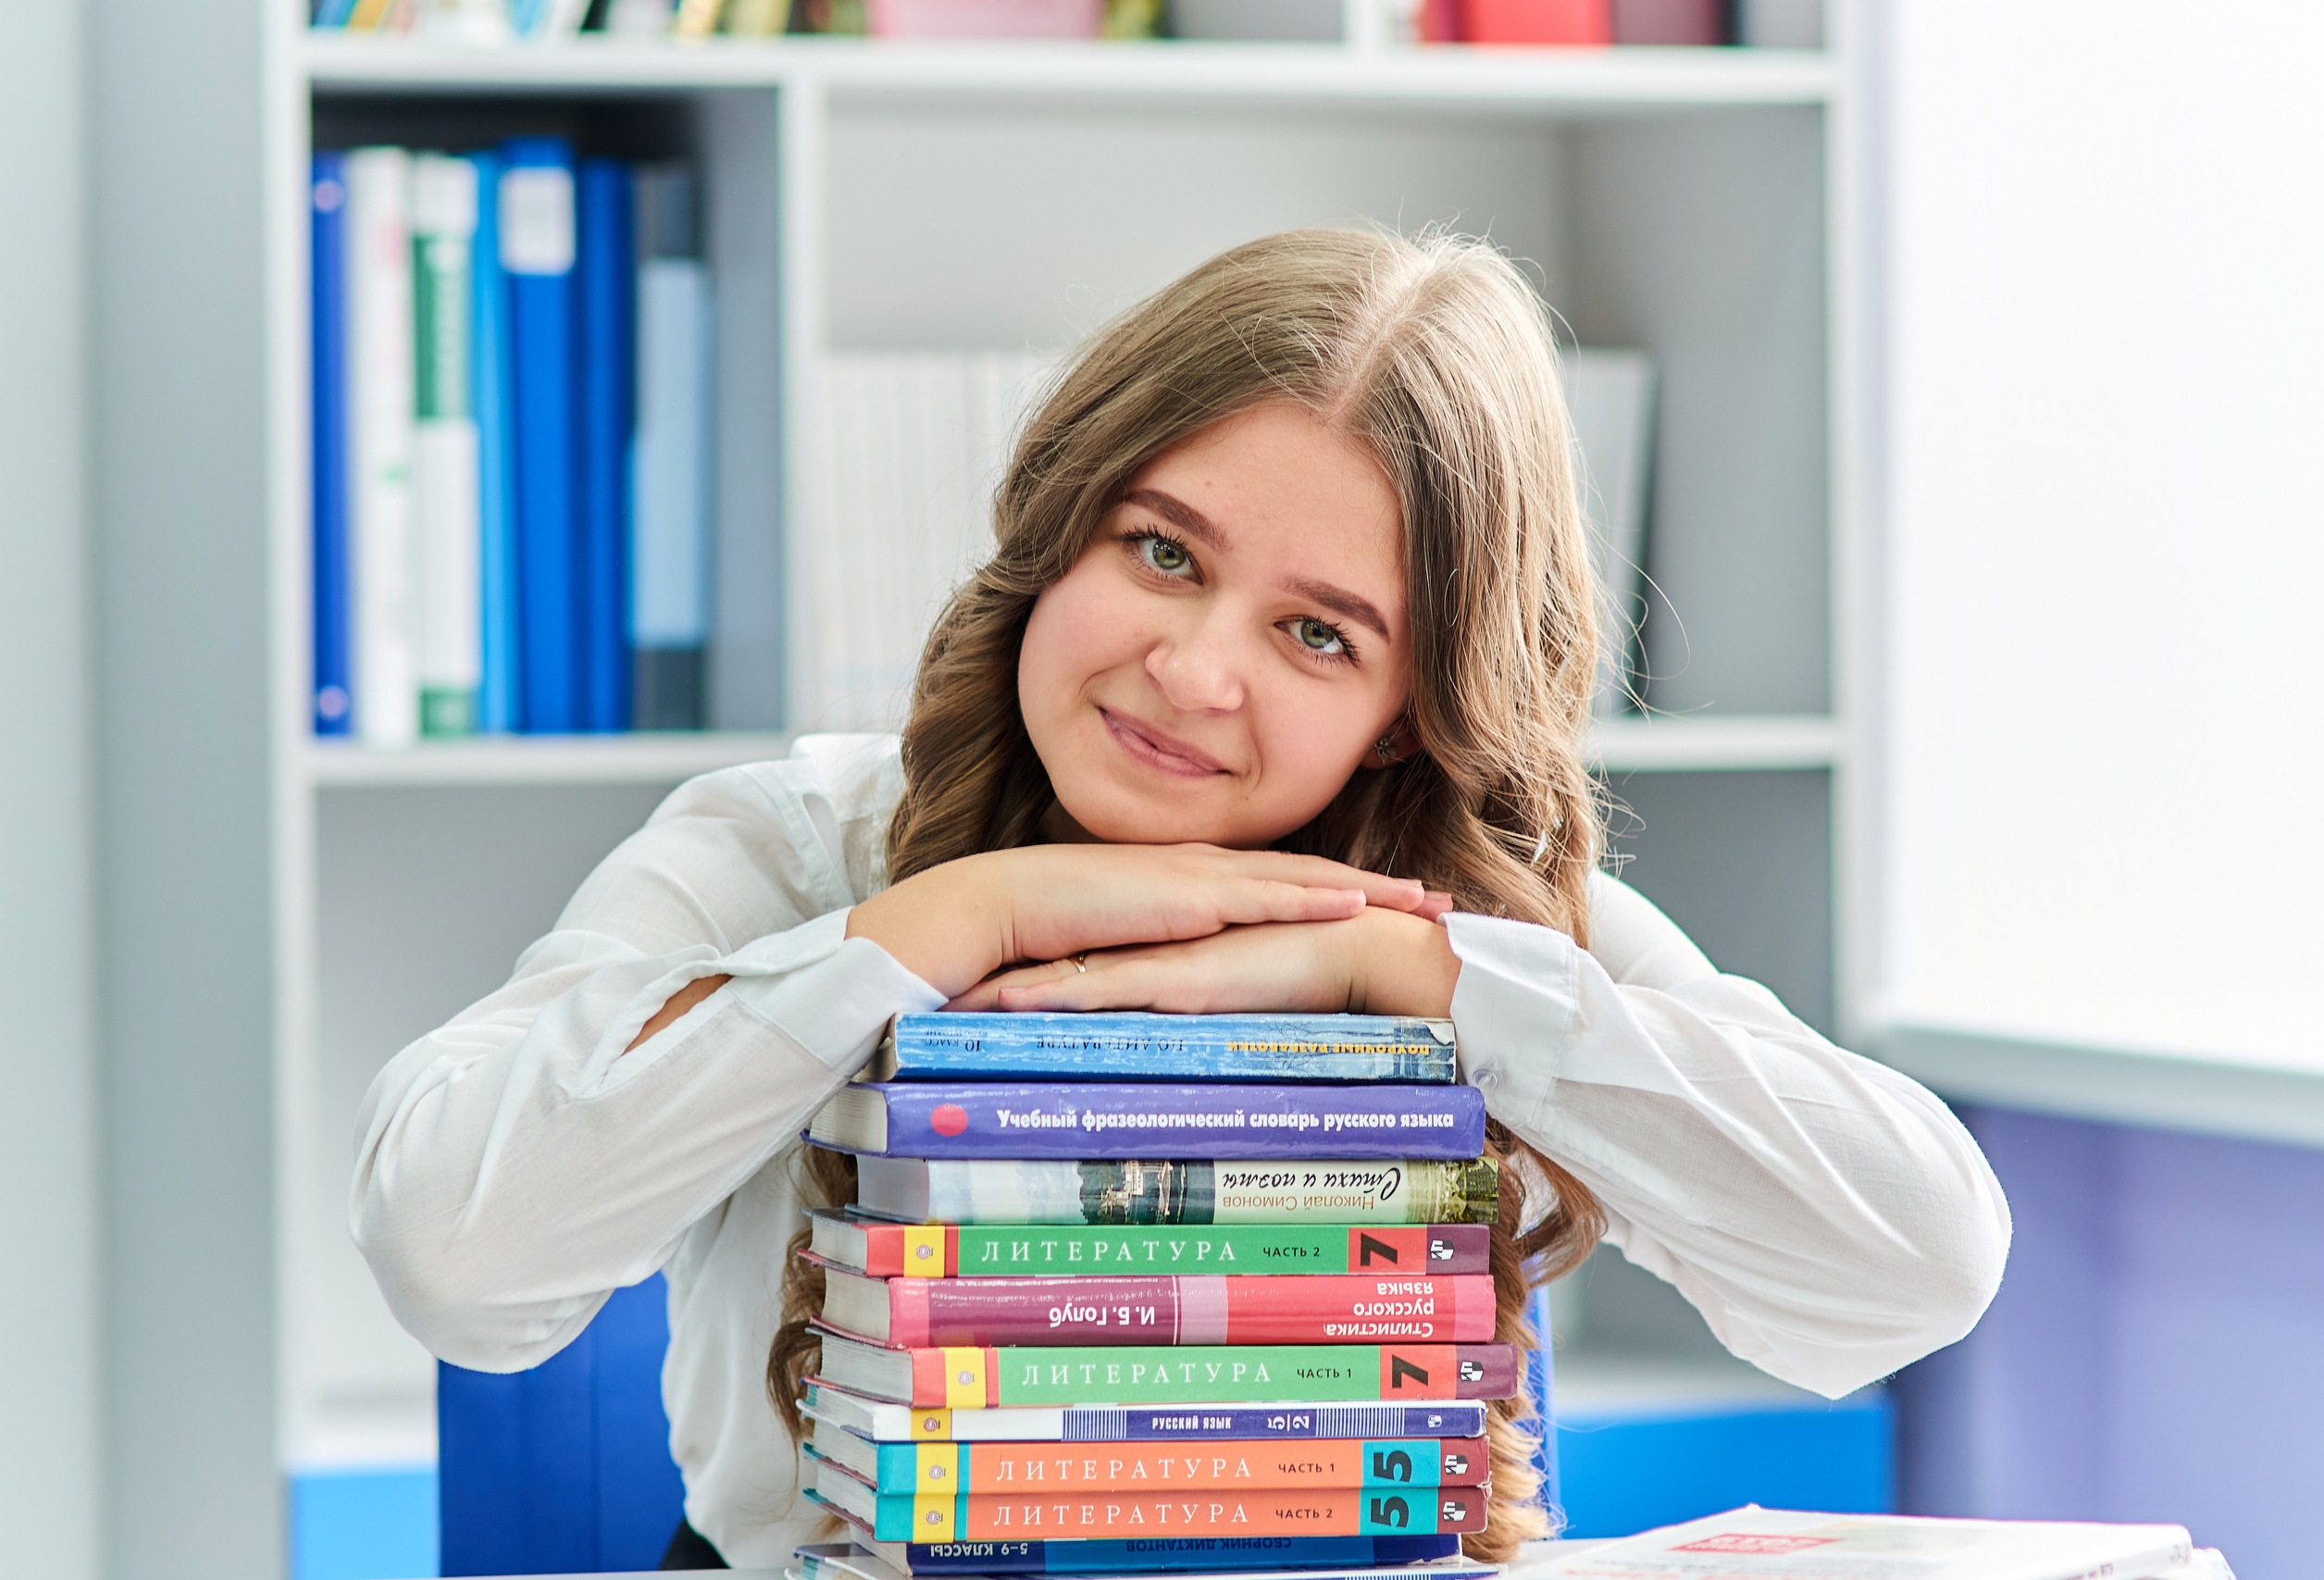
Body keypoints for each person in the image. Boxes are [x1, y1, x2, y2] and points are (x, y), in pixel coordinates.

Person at [353, 227, 2010, 1569]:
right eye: (1160, 550)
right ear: (1057, 534)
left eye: (1319, 634)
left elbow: (1921, 1263)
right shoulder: (793, 839)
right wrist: (937, 931)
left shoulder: (1444, 910)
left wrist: (1418, 981)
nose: (1191, 671)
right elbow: (448, 1245)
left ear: (1408, 711)